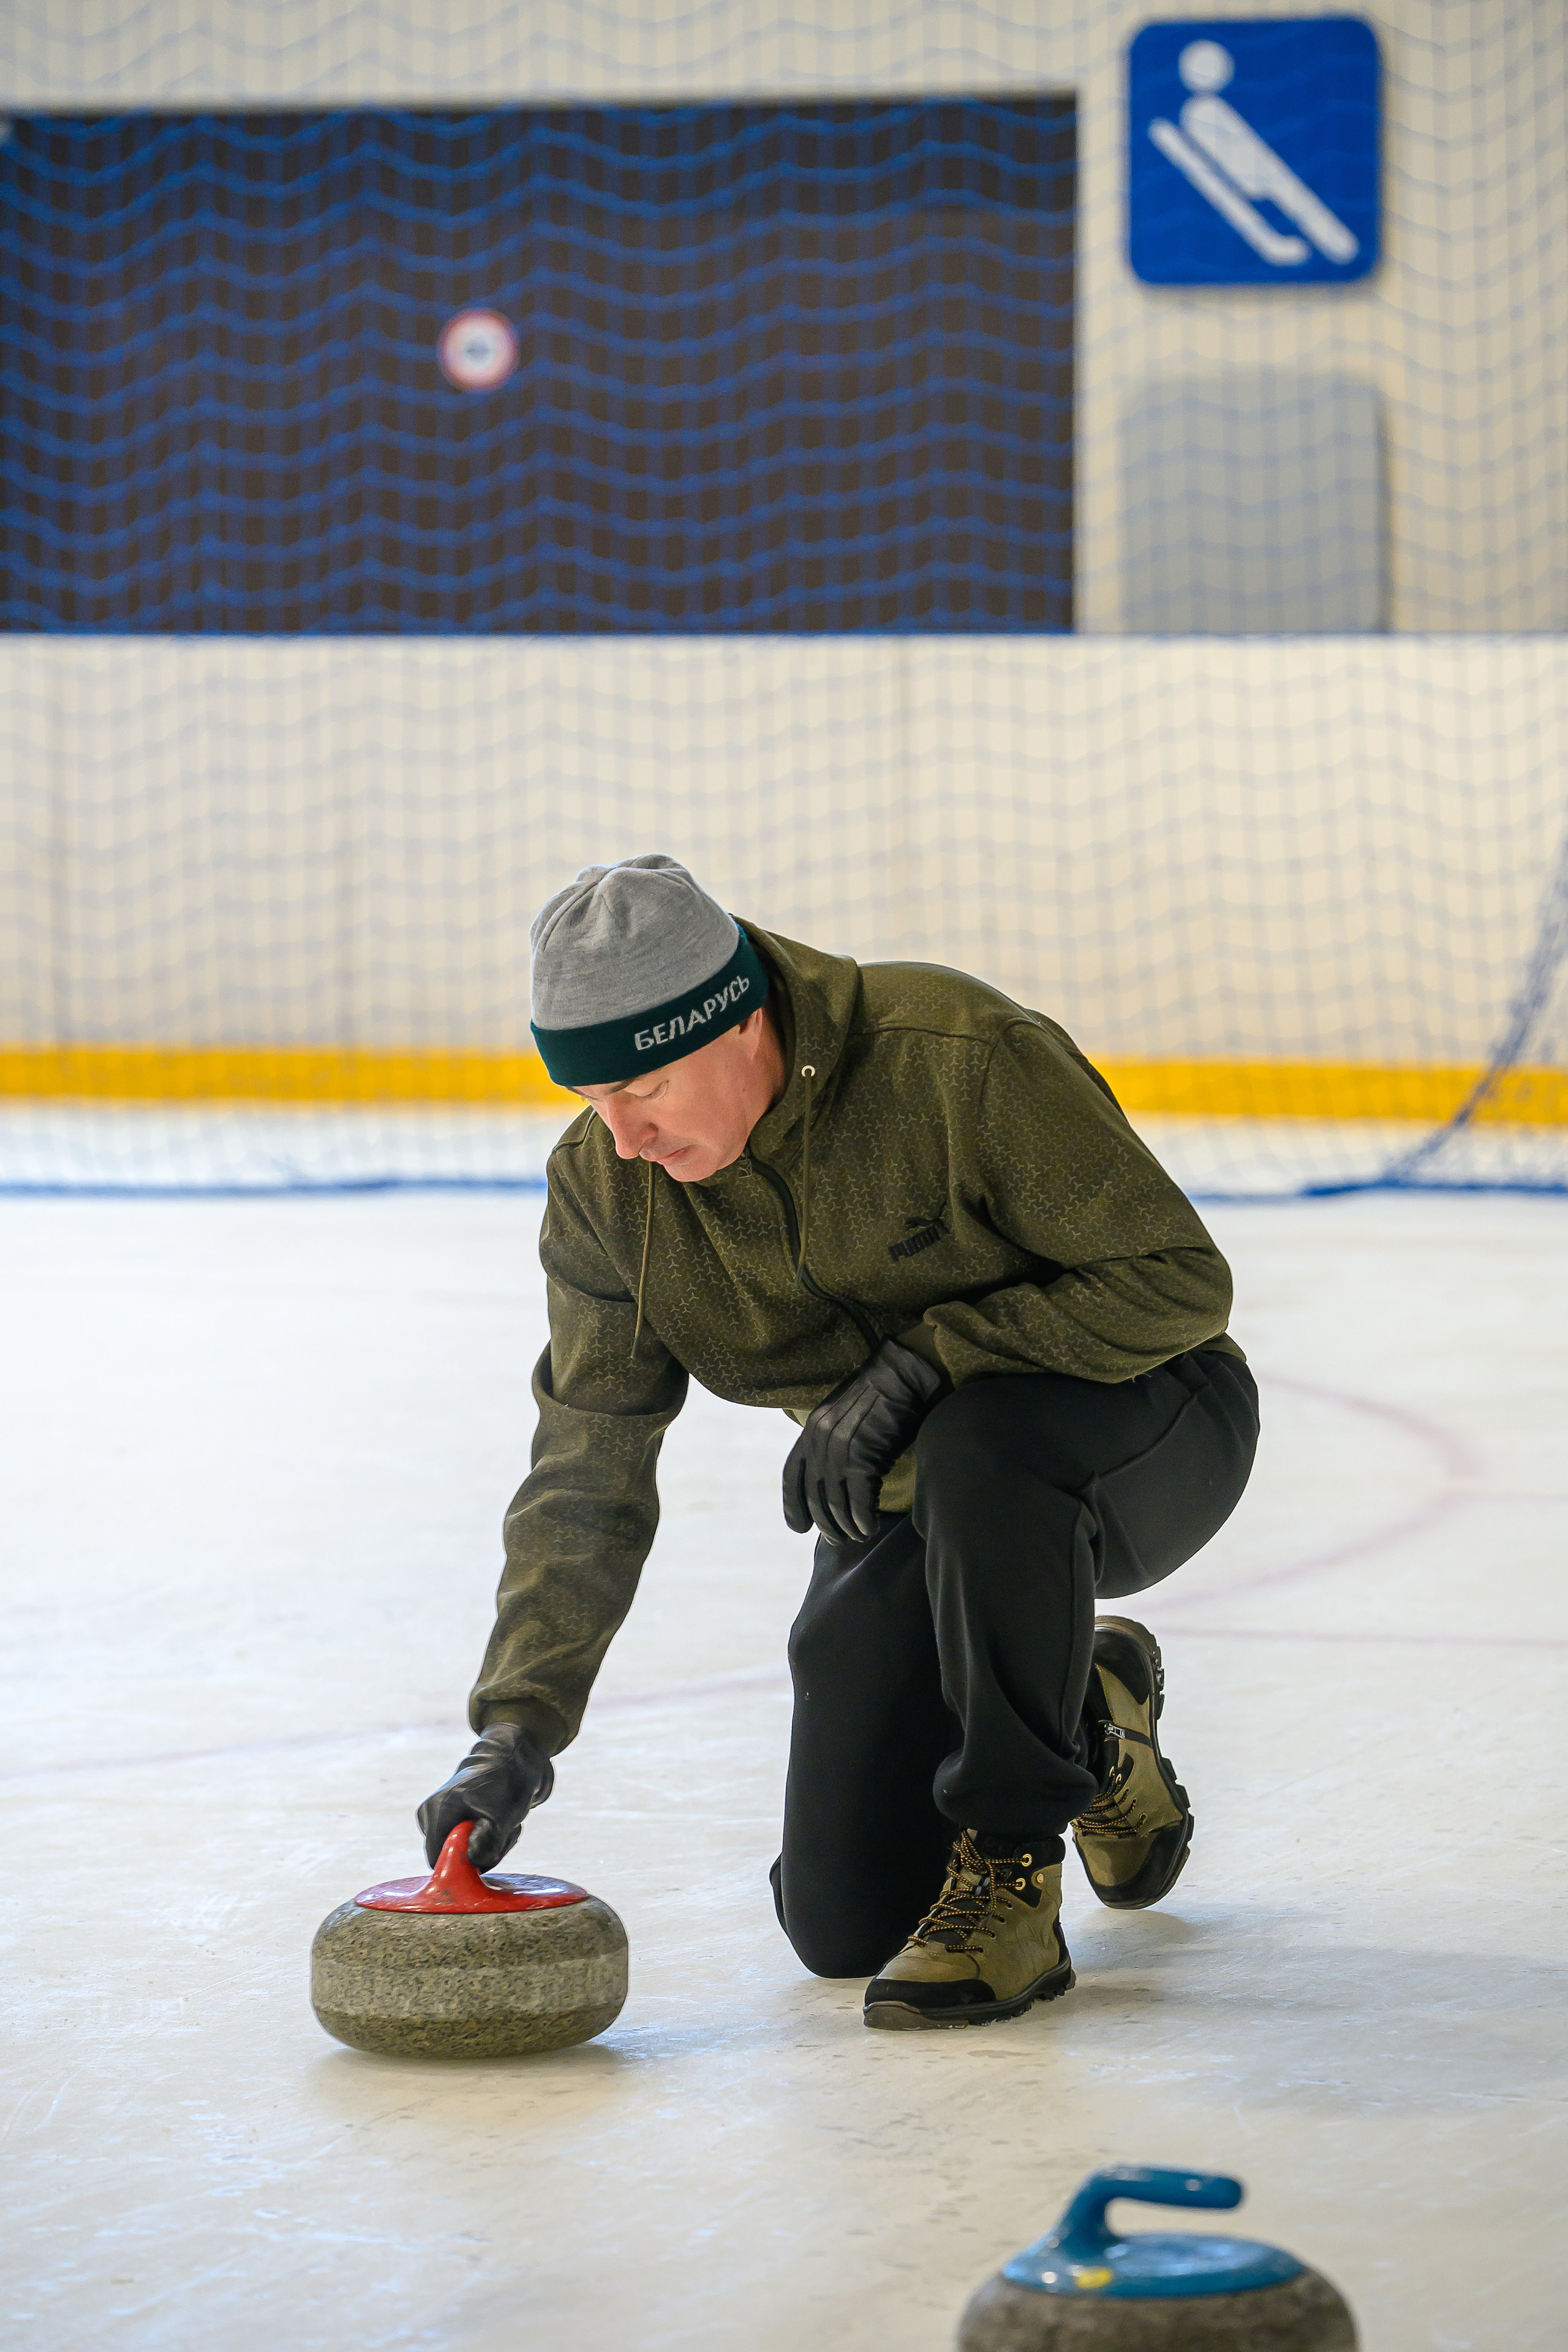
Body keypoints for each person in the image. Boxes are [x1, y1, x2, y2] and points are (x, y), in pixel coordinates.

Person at [418, 853, 1258, 2031]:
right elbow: (588, 1461)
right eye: (594, 1102)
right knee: (846, 1926)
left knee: (982, 1442)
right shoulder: (612, 1198)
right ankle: (1092, 1720)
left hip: (1146, 1427)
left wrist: (929, 1357)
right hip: (920, 1504)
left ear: (739, 1017)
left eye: (645, 1088)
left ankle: (1016, 1861)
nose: (625, 1139)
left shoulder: (951, 1056)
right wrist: (517, 1726)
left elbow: (1179, 1284)